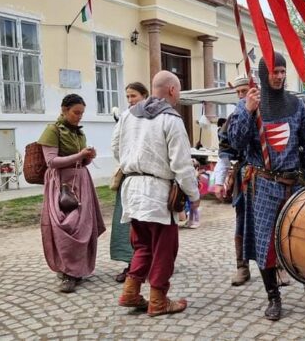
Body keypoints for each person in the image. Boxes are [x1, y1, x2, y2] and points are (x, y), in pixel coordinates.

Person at [228, 52, 305, 322]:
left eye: (283, 71)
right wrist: (248, 111)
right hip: (264, 185)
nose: (280, 77)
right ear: (263, 74)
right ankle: (273, 298)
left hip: (295, 185)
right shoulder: (247, 106)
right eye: (275, 72)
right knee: (265, 244)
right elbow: (235, 142)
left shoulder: (295, 105)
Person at [112, 70, 199, 316]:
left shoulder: (129, 115)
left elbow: (115, 147)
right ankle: (158, 301)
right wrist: (193, 195)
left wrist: (133, 164)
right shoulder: (171, 119)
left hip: (132, 189)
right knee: (163, 248)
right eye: (178, 90)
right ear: (172, 90)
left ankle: (130, 292)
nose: (179, 95)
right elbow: (182, 164)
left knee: (142, 246)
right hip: (157, 192)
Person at [38, 94, 104, 293]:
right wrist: (80, 155)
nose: (79, 117)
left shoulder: (78, 133)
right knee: (65, 226)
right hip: (61, 184)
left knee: (83, 226)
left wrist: (88, 158)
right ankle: (67, 272)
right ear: (64, 110)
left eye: (82, 113)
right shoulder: (52, 130)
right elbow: (51, 161)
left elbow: (80, 161)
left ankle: (78, 269)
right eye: (76, 112)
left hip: (81, 182)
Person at [214, 75, 253, 286]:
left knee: (271, 223)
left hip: (268, 177)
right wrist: (219, 182)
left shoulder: (268, 113)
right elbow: (225, 155)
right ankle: (242, 267)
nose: (241, 96)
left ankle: (276, 268)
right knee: (241, 222)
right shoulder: (233, 119)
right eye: (238, 92)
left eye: (244, 91)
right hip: (244, 177)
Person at [110, 82, 150, 284]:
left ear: (145, 96)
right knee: (127, 223)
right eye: (127, 97)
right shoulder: (125, 118)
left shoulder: (154, 116)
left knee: (150, 222)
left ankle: (151, 262)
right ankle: (130, 263)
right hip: (130, 176)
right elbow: (115, 146)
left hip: (151, 178)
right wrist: (128, 162)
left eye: (133, 96)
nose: (130, 100)